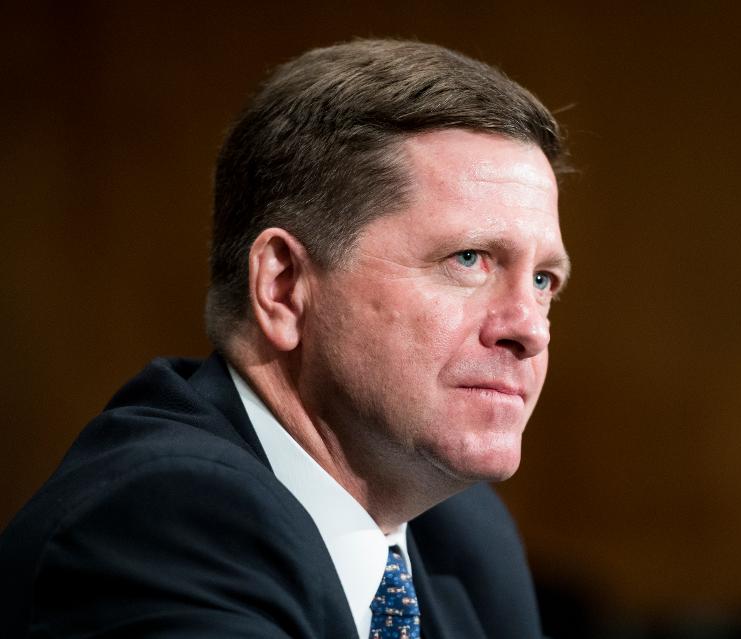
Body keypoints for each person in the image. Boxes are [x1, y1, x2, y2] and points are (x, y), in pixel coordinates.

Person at [0, 39, 570, 638]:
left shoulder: (461, 538)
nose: (529, 328)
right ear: (284, 286)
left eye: (542, 280)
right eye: (469, 259)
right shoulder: (158, 523)